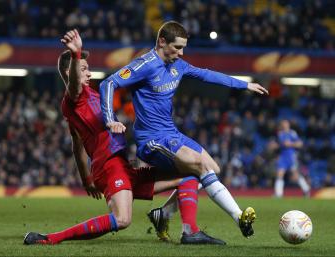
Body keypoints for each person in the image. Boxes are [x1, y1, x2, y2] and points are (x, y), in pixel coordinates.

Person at [24, 29, 225, 246]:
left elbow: (77, 145)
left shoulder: (91, 98)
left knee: (190, 174)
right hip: (110, 167)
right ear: (68, 71)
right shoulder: (74, 99)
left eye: (88, 68)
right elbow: (73, 84)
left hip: (122, 167)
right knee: (122, 219)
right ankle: (50, 239)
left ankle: (189, 231)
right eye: (84, 69)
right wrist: (75, 55)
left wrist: (86, 179)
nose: (89, 73)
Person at [100, 21, 269, 239]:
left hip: (172, 134)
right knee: (200, 167)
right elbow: (108, 84)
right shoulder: (146, 64)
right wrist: (110, 119)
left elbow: (207, 75)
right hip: (152, 139)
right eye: (177, 47)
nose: (181, 53)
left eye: (183, 48)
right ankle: (237, 218)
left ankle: (164, 213)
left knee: (211, 168)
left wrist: (244, 84)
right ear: (162, 41)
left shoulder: (178, 65)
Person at [274, 119, 310, 197]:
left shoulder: (292, 133)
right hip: (283, 157)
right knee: (280, 174)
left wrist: (291, 144)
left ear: (288, 124)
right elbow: (282, 144)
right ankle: (278, 194)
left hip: (291, 156)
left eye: (286, 123)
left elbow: (300, 144)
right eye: (283, 124)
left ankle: (306, 189)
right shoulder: (280, 134)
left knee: (295, 175)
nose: (284, 125)